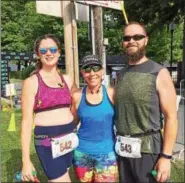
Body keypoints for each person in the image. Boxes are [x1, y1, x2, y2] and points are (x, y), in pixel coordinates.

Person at [114, 22, 178, 183]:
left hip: (149, 150)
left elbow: (171, 117)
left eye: (137, 37)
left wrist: (166, 156)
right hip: (123, 149)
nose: (131, 41)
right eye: (127, 38)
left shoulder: (159, 72)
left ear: (146, 40)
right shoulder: (120, 75)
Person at [21, 34, 78, 182]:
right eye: (43, 50)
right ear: (38, 54)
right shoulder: (32, 82)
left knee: (60, 176)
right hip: (47, 141)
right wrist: (26, 161)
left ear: (59, 52)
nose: (49, 53)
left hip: (69, 138)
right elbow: (26, 123)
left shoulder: (67, 79)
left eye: (53, 49)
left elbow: (77, 104)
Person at [71, 55, 118, 182]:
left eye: (96, 68)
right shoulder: (77, 96)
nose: (92, 73)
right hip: (82, 153)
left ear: (102, 71)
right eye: (87, 69)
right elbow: (72, 124)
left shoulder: (112, 93)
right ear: (82, 73)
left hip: (107, 154)